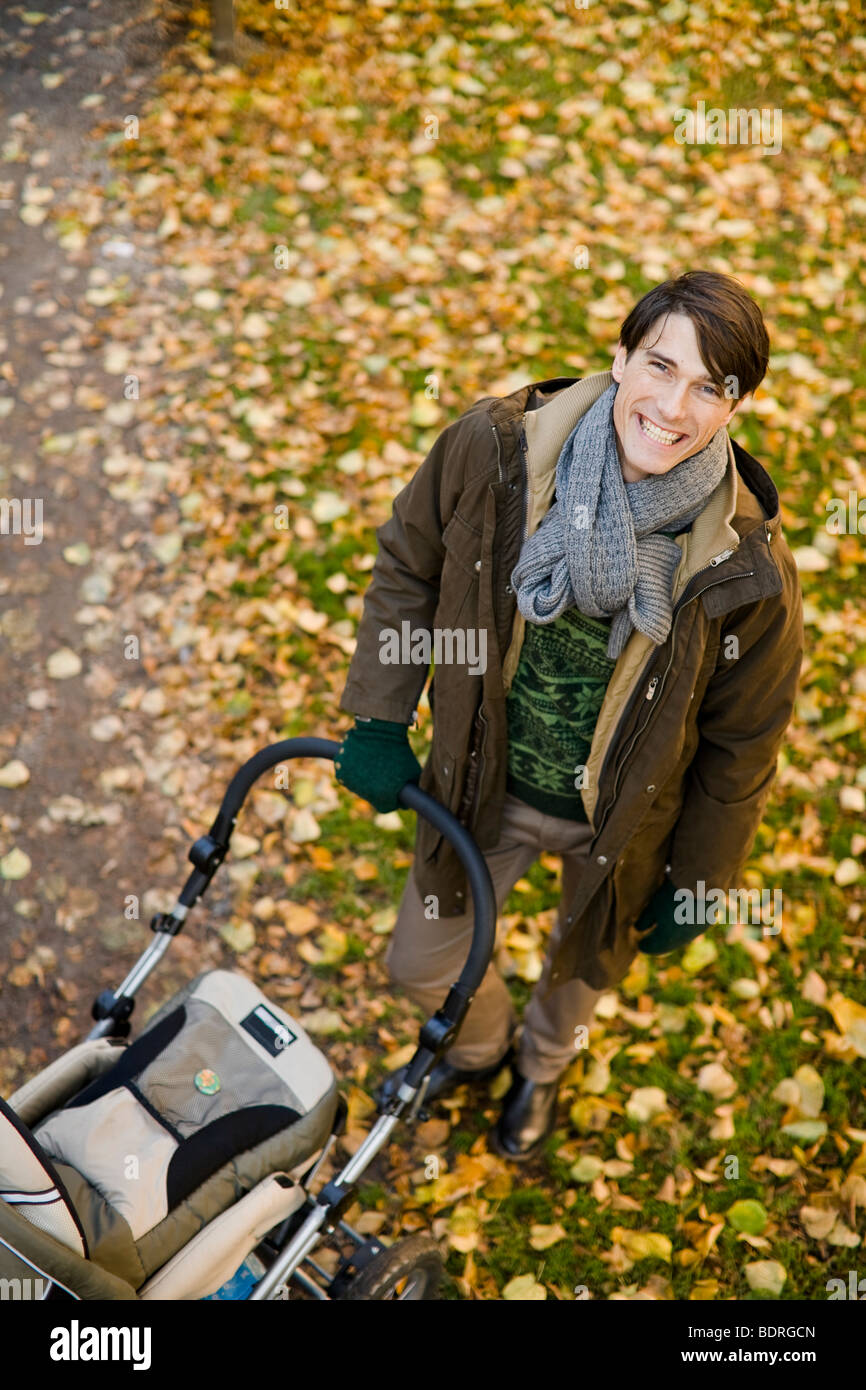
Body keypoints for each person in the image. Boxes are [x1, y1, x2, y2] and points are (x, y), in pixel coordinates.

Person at [335, 271, 804, 1160]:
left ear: (736, 404)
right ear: (620, 358)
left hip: (623, 826)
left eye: (709, 386)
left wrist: (701, 876)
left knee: (575, 978)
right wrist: (378, 719)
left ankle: (541, 1069)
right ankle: (476, 1050)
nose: (672, 406)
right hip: (486, 779)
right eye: (660, 366)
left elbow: (745, 744)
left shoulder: (748, 566)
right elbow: (408, 565)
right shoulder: (495, 451)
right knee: (419, 963)